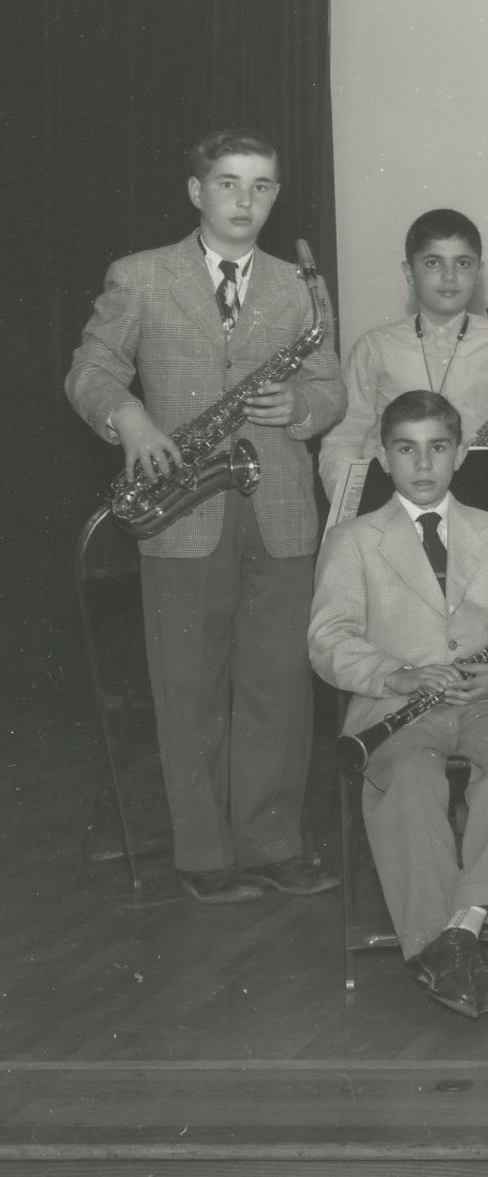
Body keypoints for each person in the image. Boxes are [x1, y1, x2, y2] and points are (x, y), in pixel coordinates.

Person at [65, 129, 347, 903]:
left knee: (279, 690)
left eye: (261, 186)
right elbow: (89, 371)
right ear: (197, 192)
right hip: (181, 508)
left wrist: (302, 405)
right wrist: (134, 424)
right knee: (187, 689)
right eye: (228, 184)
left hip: (281, 506)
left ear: (276, 195)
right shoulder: (141, 277)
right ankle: (202, 856)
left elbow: (332, 391)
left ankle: (271, 842)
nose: (244, 201)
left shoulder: (299, 286)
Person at [308, 391, 488, 1018]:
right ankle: (451, 945)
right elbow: (328, 641)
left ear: (461, 454)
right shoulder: (352, 540)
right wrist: (399, 675)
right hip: (395, 705)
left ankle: (458, 933)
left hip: (485, 699)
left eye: (438, 448)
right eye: (406, 449)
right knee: (411, 778)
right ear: (383, 457)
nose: (423, 464)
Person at [320, 208, 488, 523]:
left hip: (480, 511)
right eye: (433, 263)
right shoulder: (375, 347)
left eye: (463, 263)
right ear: (409, 272)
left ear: (479, 272)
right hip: (392, 511)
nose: (450, 277)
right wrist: (356, 511)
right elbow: (345, 437)